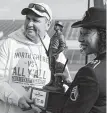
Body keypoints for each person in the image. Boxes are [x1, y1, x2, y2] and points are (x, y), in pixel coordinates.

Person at [0, 2, 70, 113]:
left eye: (36, 20)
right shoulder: (9, 44)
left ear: (48, 24)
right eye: (28, 18)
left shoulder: (55, 51)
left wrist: (66, 83)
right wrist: (17, 99)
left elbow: (65, 86)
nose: (29, 24)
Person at [54, 7, 106, 113]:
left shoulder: (90, 73)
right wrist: (73, 84)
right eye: (80, 33)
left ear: (103, 35)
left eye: (86, 33)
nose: (80, 39)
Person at [43, 21, 66, 92]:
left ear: (60, 27)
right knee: (51, 67)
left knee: (55, 68)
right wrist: (48, 51)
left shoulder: (60, 35)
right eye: (55, 25)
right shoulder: (54, 35)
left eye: (57, 25)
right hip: (51, 51)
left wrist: (57, 53)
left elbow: (63, 46)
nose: (55, 26)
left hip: (55, 52)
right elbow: (50, 45)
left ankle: (57, 82)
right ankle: (52, 81)